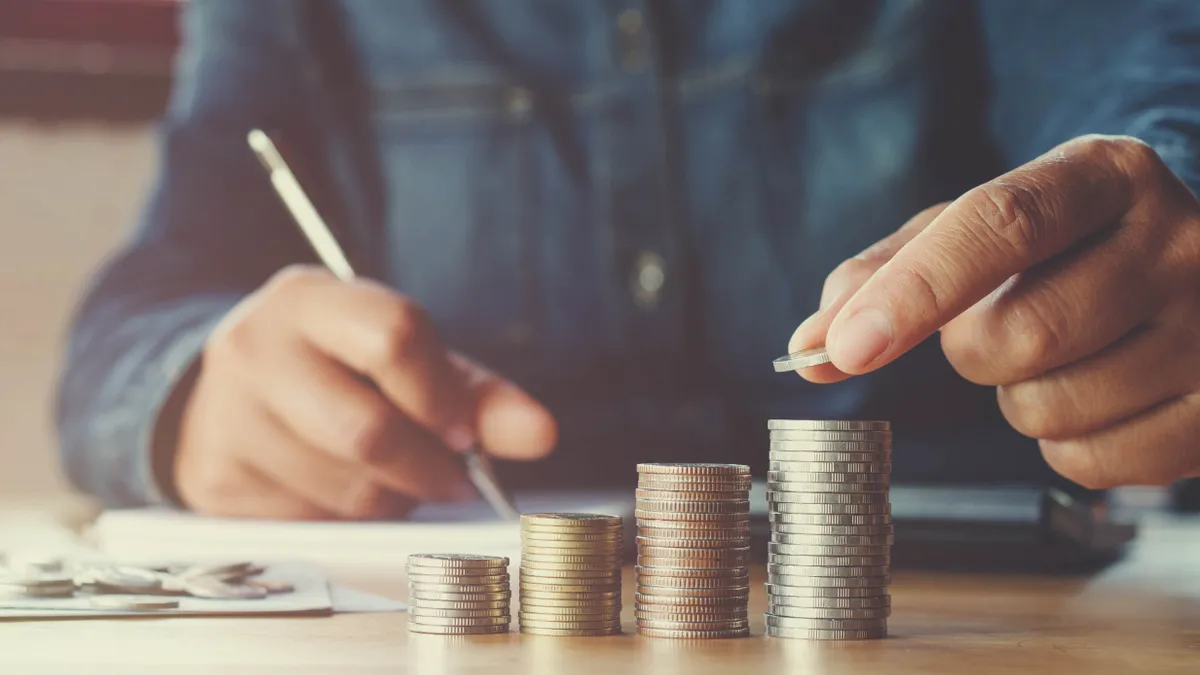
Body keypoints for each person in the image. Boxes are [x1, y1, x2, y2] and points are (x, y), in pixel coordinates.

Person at [56, 0, 1200, 519]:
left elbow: (1154, 116)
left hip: (992, 620)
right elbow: (134, 318)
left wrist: (1165, 244)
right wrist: (195, 391)